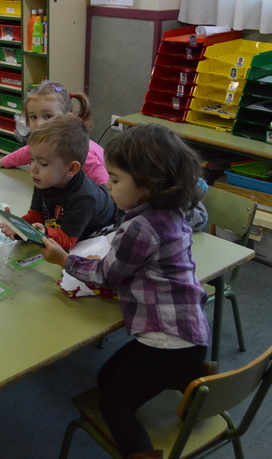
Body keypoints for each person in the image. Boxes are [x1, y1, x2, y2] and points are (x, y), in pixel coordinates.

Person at [39, 124, 210, 459]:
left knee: (113, 405)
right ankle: (193, 377)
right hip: (191, 334)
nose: (106, 184)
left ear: (148, 185)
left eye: (115, 180)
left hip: (168, 343)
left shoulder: (139, 227)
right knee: (105, 377)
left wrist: (64, 259)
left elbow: (107, 275)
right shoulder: (172, 213)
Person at [0, 115, 118, 251]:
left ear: (71, 168)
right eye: (32, 159)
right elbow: (36, 216)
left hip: (106, 228)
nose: (33, 168)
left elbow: (67, 241)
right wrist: (17, 226)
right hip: (70, 224)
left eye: (43, 163)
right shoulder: (44, 180)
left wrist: (44, 233)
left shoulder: (85, 197)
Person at [0, 81, 109, 185]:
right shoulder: (44, 144)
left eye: (48, 116)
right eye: (33, 117)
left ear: (68, 119)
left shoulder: (78, 151)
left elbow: (106, 184)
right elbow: (25, 153)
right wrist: (3, 162)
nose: (39, 123)